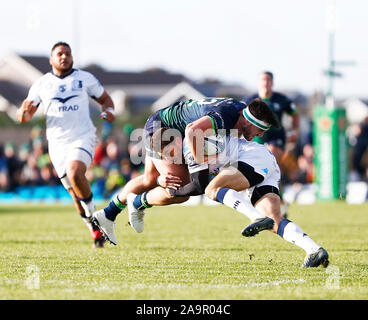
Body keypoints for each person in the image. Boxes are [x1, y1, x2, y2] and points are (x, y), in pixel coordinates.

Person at [125, 127, 330, 268]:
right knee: (274, 220)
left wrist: (149, 198)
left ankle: (255, 217)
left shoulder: (190, 146)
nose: (171, 157)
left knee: (211, 189)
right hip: (262, 159)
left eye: (170, 152)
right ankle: (313, 250)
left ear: (177, 141)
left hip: (251, 159)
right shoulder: (188, 145)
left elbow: (198, 186)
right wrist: (162, 182)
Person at [92, 98, 279, 245]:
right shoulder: (224, 117)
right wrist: (199, 166)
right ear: (249, 120)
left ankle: (108, 214)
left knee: (149, 179)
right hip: (165, 130)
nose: (261, 135)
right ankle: (138, 202)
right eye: (260, 129)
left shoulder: (238, 112)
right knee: (181, 188)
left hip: (165, 122)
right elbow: (192, 130)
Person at [17, 41, 116, 248]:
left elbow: (106, 99)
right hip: (56, 144)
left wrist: (109, 112)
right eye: (60, 54)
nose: (64, 57)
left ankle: (95, 217)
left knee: (74, 172)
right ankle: (94, 228)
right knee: (73, 192)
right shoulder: (42, 84)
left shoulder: (84, 78)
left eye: (68, 54)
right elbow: (25, 116)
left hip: (83, 136)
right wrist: (22, 112)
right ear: (51, 59)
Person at [245, 71, 299, 217]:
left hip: (276, 138)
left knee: (271, 159)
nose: (265, 82)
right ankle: (275, 202)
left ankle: (276, 201)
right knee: (260, 171)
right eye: (263, 79)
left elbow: (294, 114)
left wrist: (294, 131)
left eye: (268, 80)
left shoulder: (281, 100)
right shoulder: (251, 100)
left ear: (272, 83)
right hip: (258, 139)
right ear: (259, 82)